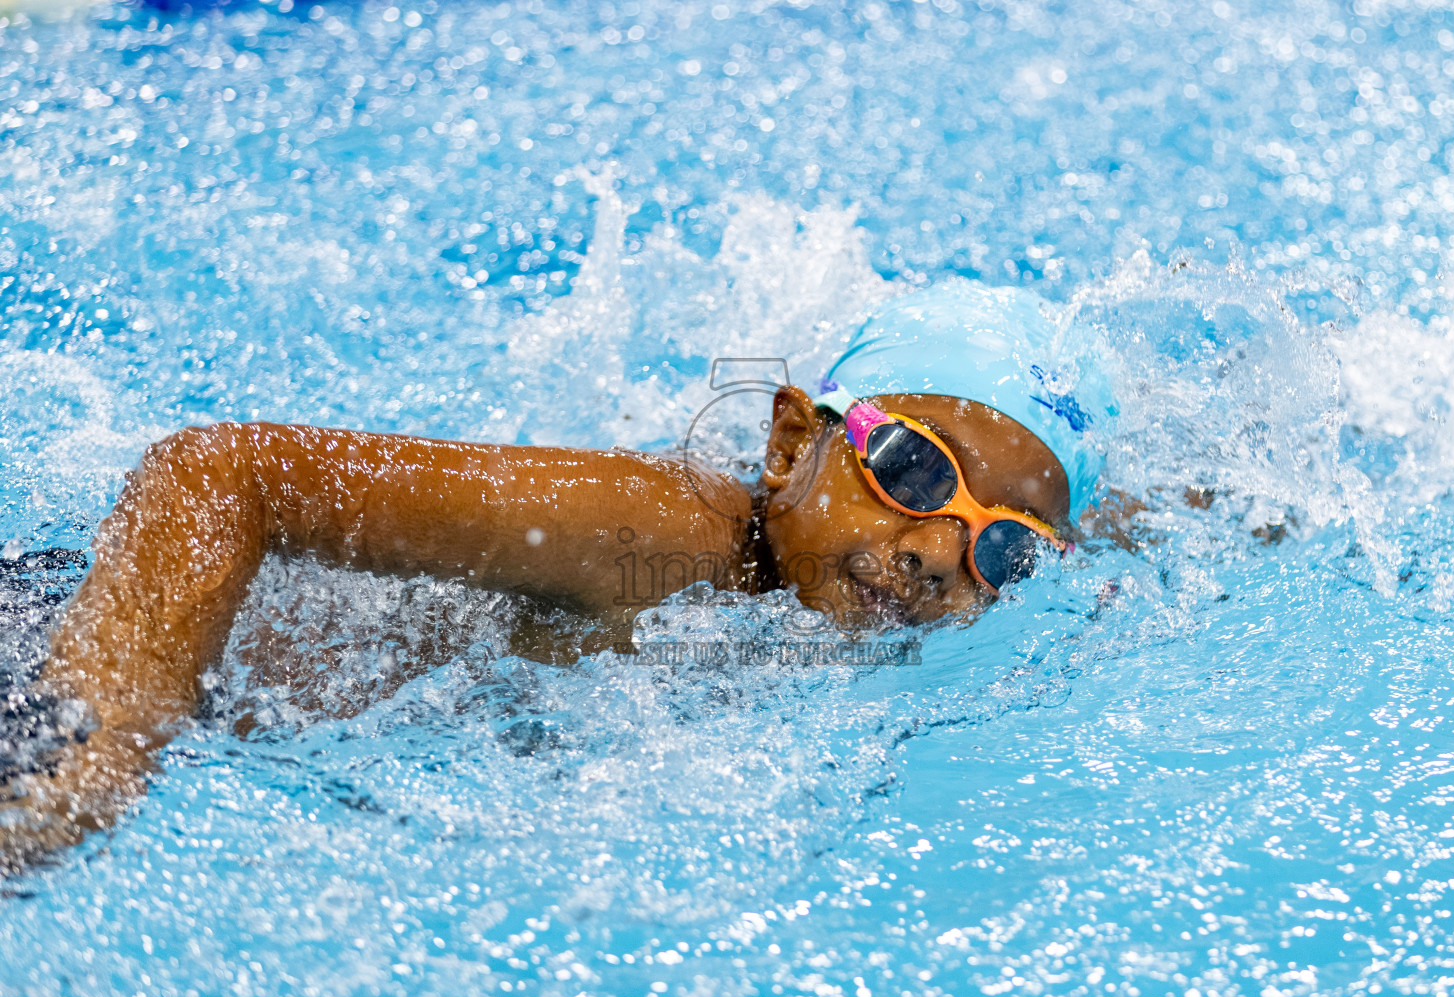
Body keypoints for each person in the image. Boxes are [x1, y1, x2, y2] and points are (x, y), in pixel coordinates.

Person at [0, 278, 1116, 871]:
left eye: (1003, 545)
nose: (936, 550)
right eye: (912, 470)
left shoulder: (810, 612)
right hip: (52, 653)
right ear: (788, 445)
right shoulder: (659, 531)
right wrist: (96, 735)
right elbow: (222, 473)